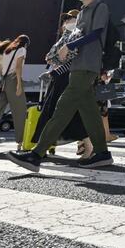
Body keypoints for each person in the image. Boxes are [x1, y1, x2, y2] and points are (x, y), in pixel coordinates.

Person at [7, 0, 114, 171]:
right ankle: (102, 153)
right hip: (77, 66)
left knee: (62, 109)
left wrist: (70, 45)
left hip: (88, 65)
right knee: (90, 112)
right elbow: (77, 36)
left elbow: (96, 33)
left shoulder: (100, 7)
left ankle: (36, 154)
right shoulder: (81, 13)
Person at [37, 11, 91, 158]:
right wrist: (55, 58)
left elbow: (70, 58)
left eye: (72, 18)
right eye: (66, 19)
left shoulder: (76, 36)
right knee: (55, 111)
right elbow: (49, 56)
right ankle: (41, 147)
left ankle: (87, 143)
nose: (68, 21)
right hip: (59, 76)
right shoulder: (65, 37)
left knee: (64, 111)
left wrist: (56, 60)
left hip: (67, 76)